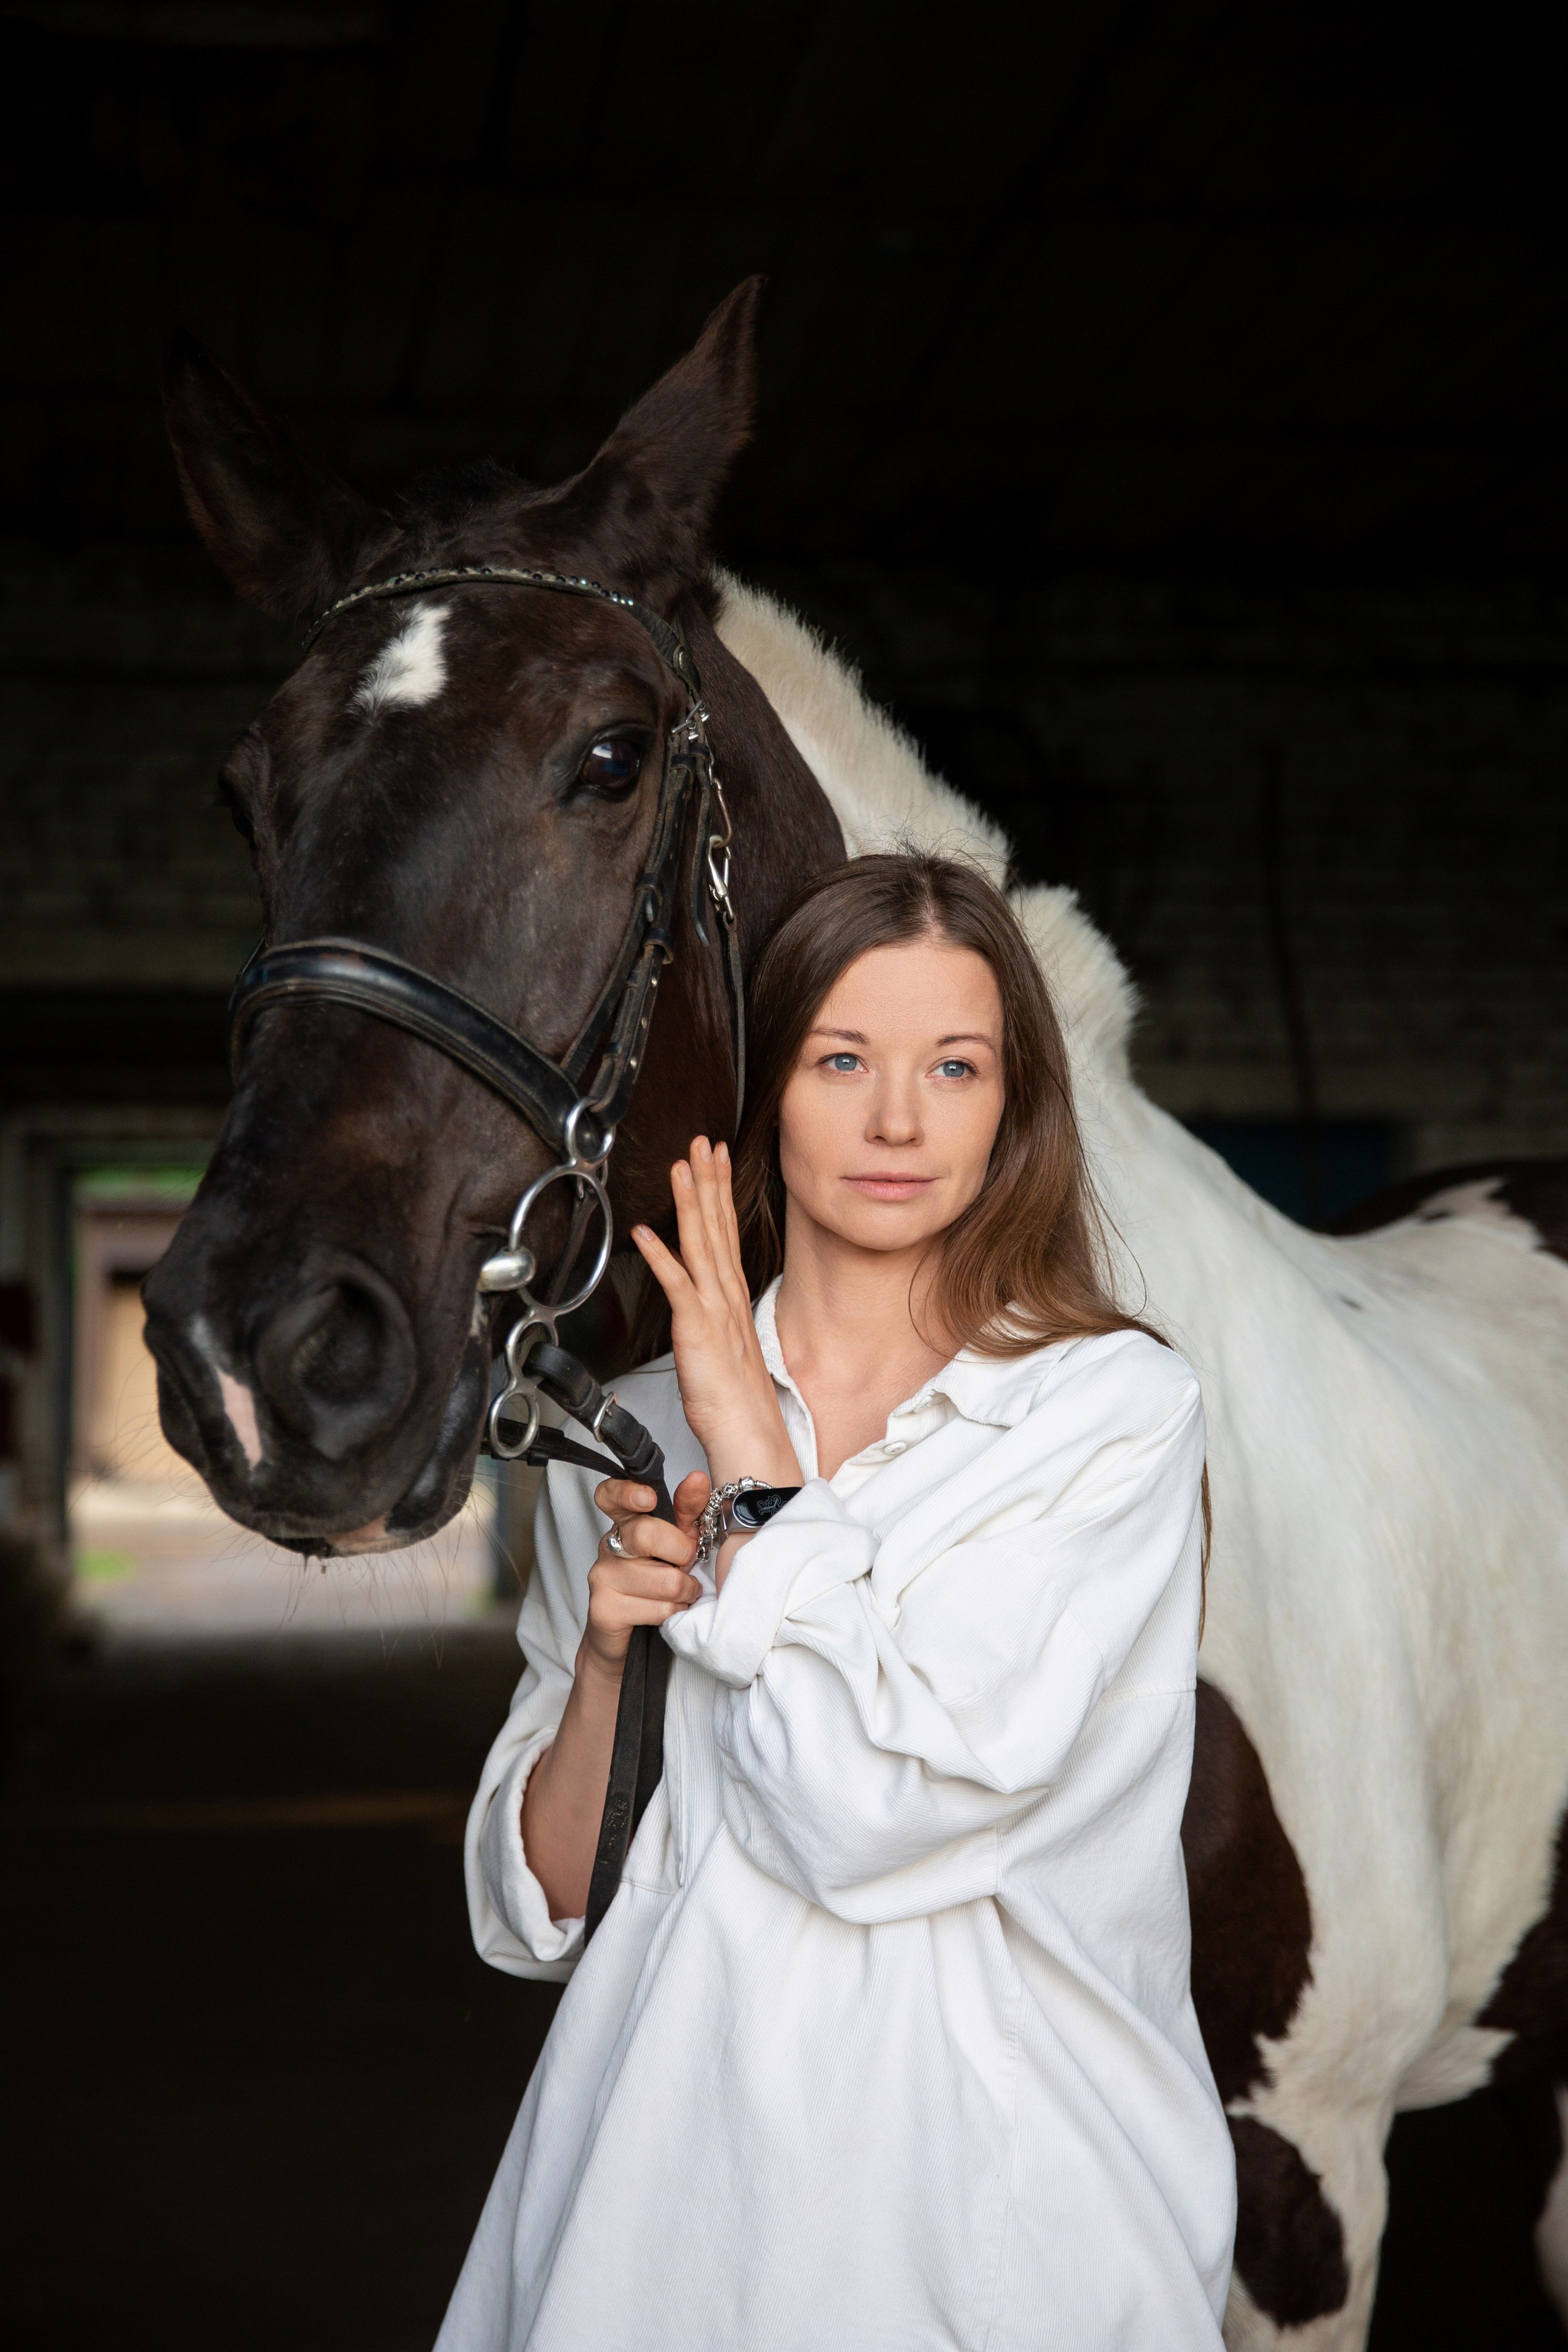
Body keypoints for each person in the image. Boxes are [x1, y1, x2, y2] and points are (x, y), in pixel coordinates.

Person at [437, 853, 1235, 2351]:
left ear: (1012, 1108)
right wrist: (611, 1665)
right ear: (763, 1093)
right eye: (841, 1060)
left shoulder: (1106, 1416)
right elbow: (543, 1915)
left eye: (953, 1066)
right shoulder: (629, 1428)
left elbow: (880, 1823)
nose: (895, 1120)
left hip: (995, 2218)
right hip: (655, 2214)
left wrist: (750, 1459)